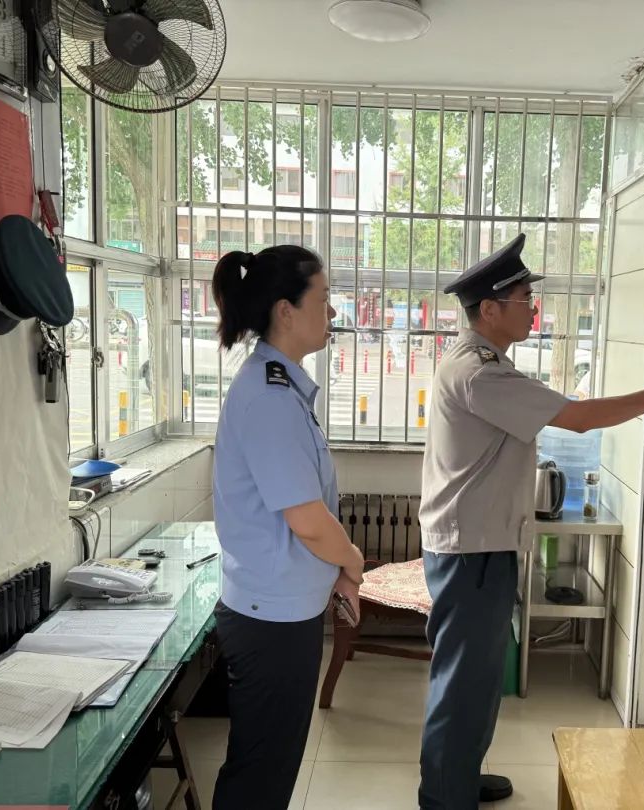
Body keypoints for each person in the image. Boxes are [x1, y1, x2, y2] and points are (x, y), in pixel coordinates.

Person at [418, 233, 644, 809]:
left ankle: (458, 779)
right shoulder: (481, 374)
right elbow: (578, 418)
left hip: (479, 545)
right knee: (463, 683)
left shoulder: (484, 365)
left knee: (478, 681)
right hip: (471, 552)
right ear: (489, 309)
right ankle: (444, 798)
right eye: (525, 298)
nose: (534, 309)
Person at [209, 245, 365, 809]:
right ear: (285, 311)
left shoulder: (280, 387)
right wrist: (352, 562)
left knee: (268, 768)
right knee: (260, 775)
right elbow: (308, 520)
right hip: (270, 620)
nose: (332, 312)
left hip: (279, 608)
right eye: (323, 300)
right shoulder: (270, 398)